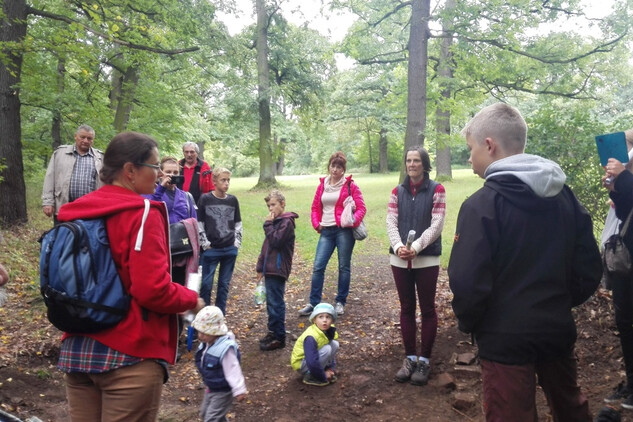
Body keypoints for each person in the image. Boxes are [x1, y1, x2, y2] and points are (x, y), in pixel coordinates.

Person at [448, 103, 602, 422]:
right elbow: (588, 268)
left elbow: (466, 282)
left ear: (489, 145)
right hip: (555, 329)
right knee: (571, 409)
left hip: (503, 339)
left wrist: (474, 323)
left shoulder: (481, 206)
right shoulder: (566, 198)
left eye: (471, 148)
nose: (469, 157)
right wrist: (556, 302)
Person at [55, 131, 205, 422]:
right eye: (154, 166)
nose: (160, 173)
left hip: (77, 351)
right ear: (130, 171)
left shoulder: (74, 213)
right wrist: (192, 300)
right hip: (129, 356)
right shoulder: (142, 214)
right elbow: (152, 290)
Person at [386, 146, 446, 386]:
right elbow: (391, 221)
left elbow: (437, 224)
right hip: (399, 259)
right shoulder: (396, 191)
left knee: (428, 309)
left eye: (416, 161)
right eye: (408, 161)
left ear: (424, 164)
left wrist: (417, 247)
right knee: (406, 307)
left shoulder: (437, 190)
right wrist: (400, 246)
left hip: (427, 257)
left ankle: (425, 360)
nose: (412, 165)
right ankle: (410, 357)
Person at [298, 152, 366, 317]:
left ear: (343, 169)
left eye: (339, 167)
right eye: (333, 166)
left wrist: (351, 221)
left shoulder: (351, 186)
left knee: (343, 267)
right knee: (318, 267)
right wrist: (316, 224)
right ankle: (313, 303)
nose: (335, 169)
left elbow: (362, 208)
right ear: (329, 167)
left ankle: (340, 301)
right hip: (326, 231)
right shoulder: (323, 185)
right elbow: (315, 207)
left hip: (344, 231)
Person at [602, 129, 633, 409]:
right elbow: (626, 213)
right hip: (627, 258)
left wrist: (624, 177)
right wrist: (617, 189)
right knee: (625, 322)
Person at [256, 190, 298, 351]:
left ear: (282, 203)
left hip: (278, 268)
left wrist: (267, 224)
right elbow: (266, 247)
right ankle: (272, 331)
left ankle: (279, 336)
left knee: (276, 303)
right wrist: (260, 267)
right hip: (269, 268)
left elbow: (276, 241)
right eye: (268, 206)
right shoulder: (275, 221)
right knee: (271, 303)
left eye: (273, 205)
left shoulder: (286, 222)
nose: (270, 209)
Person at [192, 306, 247, 422]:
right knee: (205, 414)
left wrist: (239, 389)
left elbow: (233, 369)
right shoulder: (207, 344)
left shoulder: (225, 349)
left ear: (215, 331)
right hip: (212, 387)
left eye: (205, 332)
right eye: (199, 332)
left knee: (211, 418)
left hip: (222, 391)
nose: (200, 336)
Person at [198, 167, 242, 315]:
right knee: (206, 284)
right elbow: (200, 223)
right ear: (214, 181)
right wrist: (205, 244)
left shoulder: (232, 200)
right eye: (223, 180)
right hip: (212, 249)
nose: (226, 183)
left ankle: (219, 316)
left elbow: (238, 223)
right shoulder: (205, 199)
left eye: (228, 180)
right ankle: (205, 317)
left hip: (229, 248)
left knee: (224, 285)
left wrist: (236, 244)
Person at [42, 125, 104, 224]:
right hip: (64, 206)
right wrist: (47, 202)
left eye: (89, 138)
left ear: (93, 140)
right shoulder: (60, 154)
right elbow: (50, 178)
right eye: (82, 137)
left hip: (89, 210)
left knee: (85, 238)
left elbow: (106, 184)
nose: (86, 140)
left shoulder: (100, 158)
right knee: (63, 237)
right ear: (76, 136)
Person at [290, 303, 339, 387]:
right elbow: (311, 361)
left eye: (328, 317)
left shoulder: (329, 331)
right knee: (327, 349)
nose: (324, 320)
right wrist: (322, 376)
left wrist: (331, 368)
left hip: (313, 360)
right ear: (314, 320)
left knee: (334, 344)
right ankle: (311, 376)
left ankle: (325, 369)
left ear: (332, 321)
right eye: (321, 317)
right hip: (303, 363)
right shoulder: (310, 337)